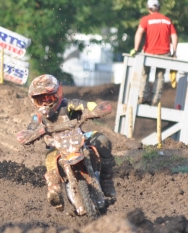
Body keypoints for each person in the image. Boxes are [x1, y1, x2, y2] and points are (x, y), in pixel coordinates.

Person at [17, 75, 116, 210]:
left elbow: (88, 105)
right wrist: (26, 135)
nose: (45, 103)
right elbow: (30, 128)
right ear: (34, 101)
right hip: (56, 146)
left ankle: (107, 178)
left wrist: (97, 109)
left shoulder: (69, 104)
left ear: (58, 94)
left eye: (49, 98)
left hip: (78, 137)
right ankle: (54, 191)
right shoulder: (38, 117)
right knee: (50, 159)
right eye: (40, 99)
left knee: (102, 140)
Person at [131, 0, 178, 104]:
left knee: (144, 73)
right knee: (160, 75)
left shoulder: (146, 20)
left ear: (148, 8)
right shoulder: (167, 20)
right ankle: (155, 99)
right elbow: (174, 36)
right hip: (165, 53)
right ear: (159, 8)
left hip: (149, 52)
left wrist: (135, 49)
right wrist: (174, 52)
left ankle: (143, 96)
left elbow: (139, 33)